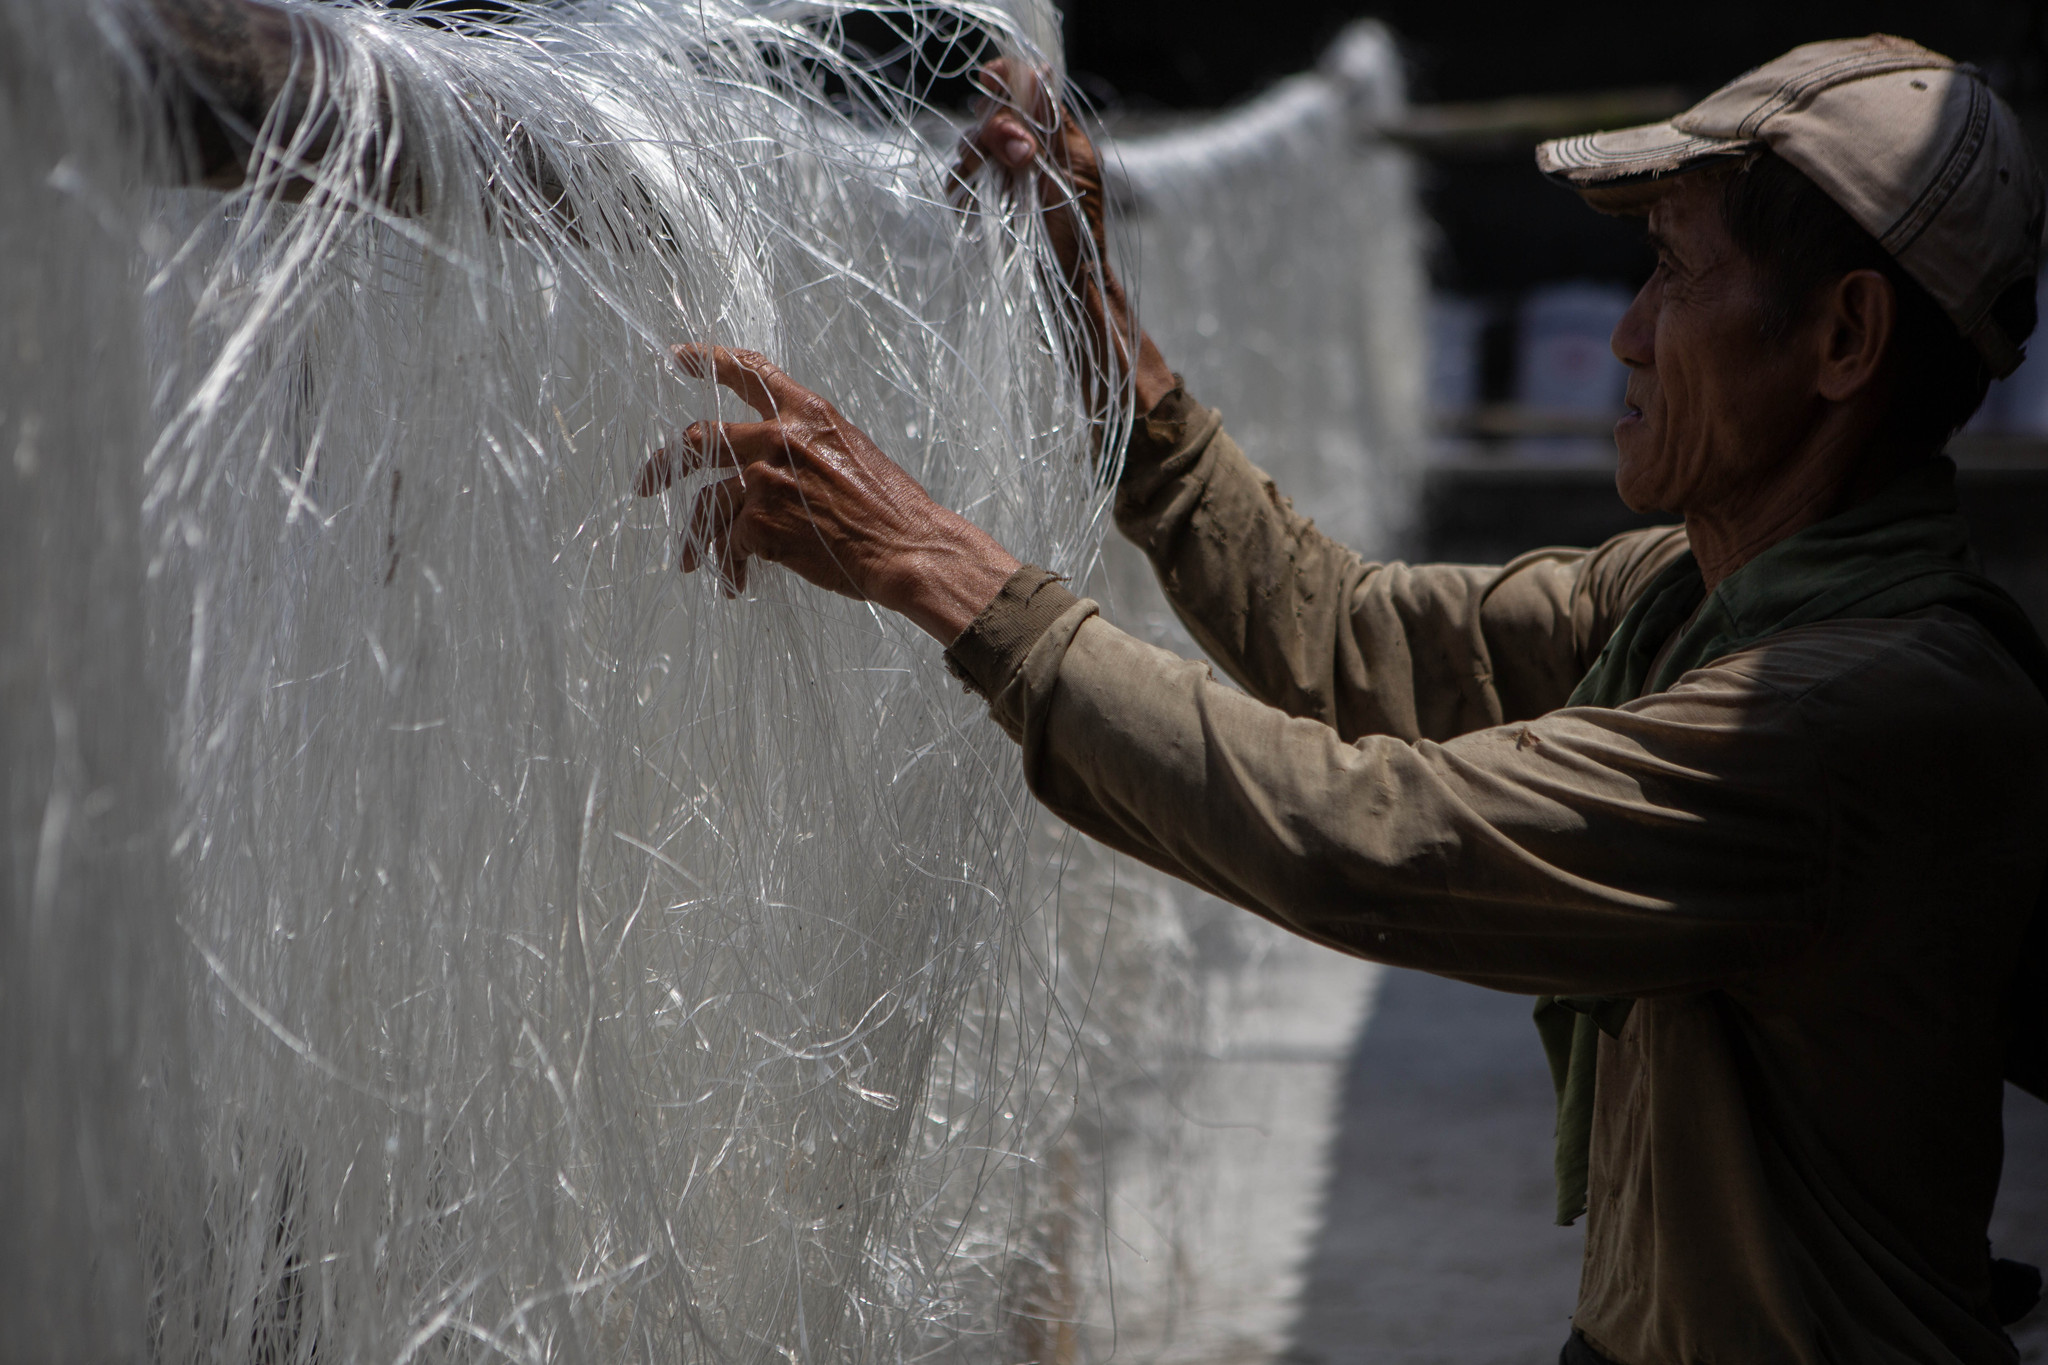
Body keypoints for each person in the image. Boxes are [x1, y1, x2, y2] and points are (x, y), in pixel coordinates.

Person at [635, 35, 2048, 1365]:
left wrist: (940, 568)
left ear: (1846, 337)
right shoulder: (1692, 595)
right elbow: (1347, 636)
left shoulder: (1843, 719)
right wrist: (1104, 342)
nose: (1626, 336)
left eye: (1675, 275)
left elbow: (1368, 833)